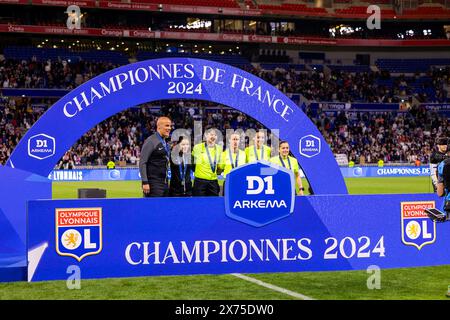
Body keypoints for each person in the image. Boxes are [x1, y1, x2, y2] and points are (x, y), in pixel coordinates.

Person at [139, 116, 172, 197]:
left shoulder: (165, 143)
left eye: (170, 126)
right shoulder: (151, 141)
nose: (170, 128)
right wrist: (145, 182)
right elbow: (142, 162)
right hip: (153, 184)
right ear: (159, 126)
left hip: (164, 182)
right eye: (167, 125)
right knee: (153, 208)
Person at [192, 127, 222, 196]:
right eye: (211, 134)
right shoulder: (197, 147)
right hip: (200, 181)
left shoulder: (219, 148)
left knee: (213, 203)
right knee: (199, 203)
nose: (213, 137)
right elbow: (192, 163)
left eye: (215, 135)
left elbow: (219, 165)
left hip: (213, 181)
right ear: (206, 135)